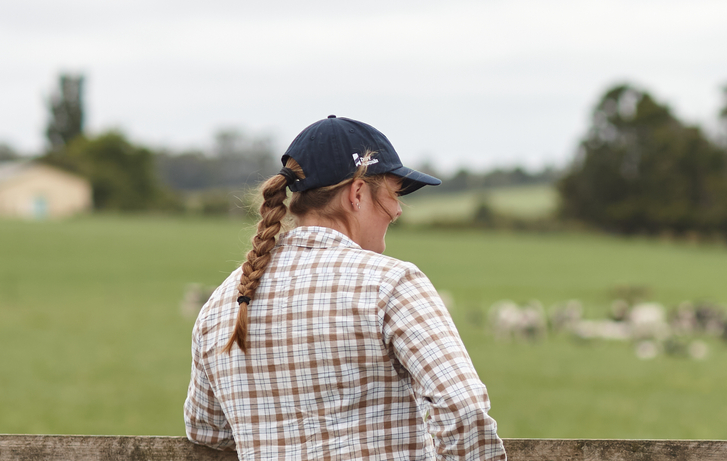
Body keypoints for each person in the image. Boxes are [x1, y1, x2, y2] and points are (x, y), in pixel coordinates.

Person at [184, 116, 507, 460]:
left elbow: (207, 431)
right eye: (394, 194)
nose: (397, 211)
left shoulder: (226, 301)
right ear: (356, 193)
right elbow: (463, 408)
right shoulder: (391, 284)